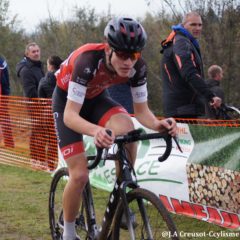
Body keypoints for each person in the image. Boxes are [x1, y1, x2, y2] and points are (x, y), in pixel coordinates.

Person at [52, 17, 177, 240]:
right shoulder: (87, 61)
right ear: (109, 49)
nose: (129, 61)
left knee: (129, 131)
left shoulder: (138, 68)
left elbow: (141, 112)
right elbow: (71, 116)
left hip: (97, 99)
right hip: (66, 104)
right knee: (80, 175)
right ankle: (68, 233)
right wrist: (95, 131)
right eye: (122, 54)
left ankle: (121, 194)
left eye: (134, 54)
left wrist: (159, 124)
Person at [160, 11, 221, 118]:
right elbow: (189, 73)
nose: (197, 28)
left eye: (200, 25)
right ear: (184, 25)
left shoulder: (184, 41)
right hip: (181, 109)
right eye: (193, 24)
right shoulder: (181, 42)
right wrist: (210, 96)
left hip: (184, 108)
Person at [16, 43, 46, 168]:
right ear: (27, 54)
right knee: (37, 133)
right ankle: (36, 160)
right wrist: (43, 101)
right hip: (34, 106)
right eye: (33, 52)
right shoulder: (26, 70)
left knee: (42, 132)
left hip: (43, 104)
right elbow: (30, 92)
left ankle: (40, 159)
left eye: (38, 50)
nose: (36, 53)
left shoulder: (38, 66)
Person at [38, 55, 63, 170]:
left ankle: (51, 166)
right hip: (64, 112)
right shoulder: (64, 77)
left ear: (50, 66)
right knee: (64, 139)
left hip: (48, 113)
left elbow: (40, 98)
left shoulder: (43, 81)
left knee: (51, 140)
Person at [0, 55, 14, 148]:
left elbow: (5, 79)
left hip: (2, 95)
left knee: (5, 120)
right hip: (3, 95)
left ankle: (9, 143)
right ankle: (9, 143)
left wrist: (6, 93)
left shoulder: (1, 61)